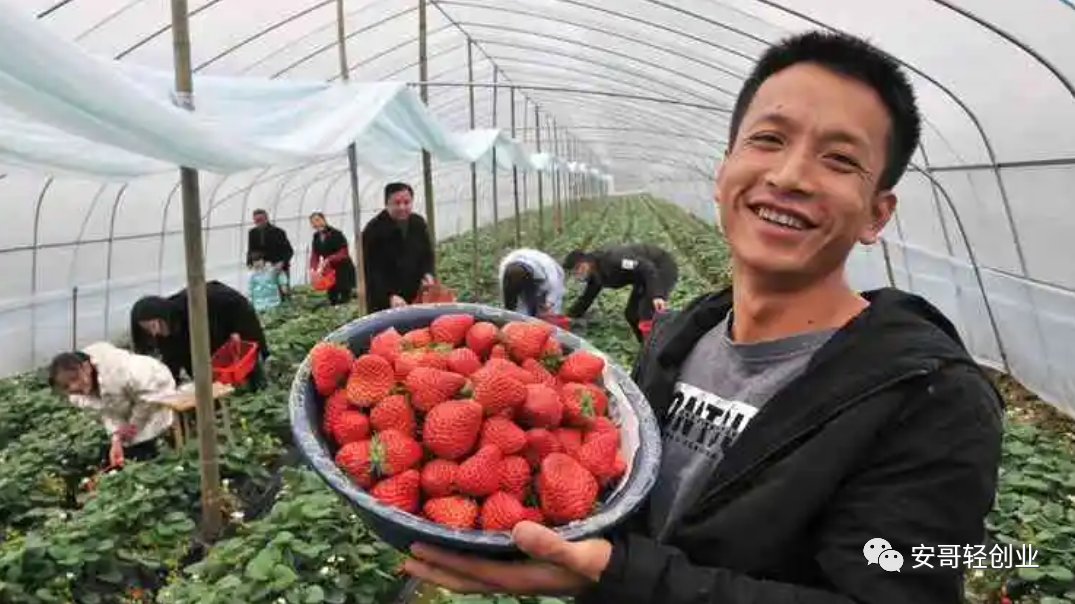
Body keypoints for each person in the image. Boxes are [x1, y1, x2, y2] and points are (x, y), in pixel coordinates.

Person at [400, 31, 1005, 604]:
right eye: (768, 140)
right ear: (722, 175)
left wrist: (617, 575)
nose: (790, 175)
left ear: (877, 214)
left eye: (840, 159)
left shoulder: (931, 401)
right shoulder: (676, 339)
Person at [48, 342, 177, 468]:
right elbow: (107, 414)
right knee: (131, 452)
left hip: (157, 391)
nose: (74, 386)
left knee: (155, 444)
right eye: (66, 386)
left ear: (86, 367)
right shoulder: (79, 397)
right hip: (132, 406)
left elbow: (147, 398)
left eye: (74, 378)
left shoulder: (119, 369)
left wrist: (132, 425)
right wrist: (117, 438)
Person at [130, 280, 270, 390]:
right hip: (210, 337)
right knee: (204, 373)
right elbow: (173, 359)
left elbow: (236, 306)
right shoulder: (164, 335)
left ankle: (260, 388)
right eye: (148, 330)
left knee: (246, 357)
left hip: (228, 315)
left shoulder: (191, 307)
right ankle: (214, 402)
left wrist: (236, 329)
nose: (154, 333)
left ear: (162, 315)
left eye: (153, 326)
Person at [563, 243, 679, 342]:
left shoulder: (614, 259)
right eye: (575, 271)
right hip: (643, 277)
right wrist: (567, 318)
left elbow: (646, 267)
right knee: (631, 314)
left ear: (587, 260)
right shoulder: (596, 274)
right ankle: (645, 345)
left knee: (646, 312)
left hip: (660, 268)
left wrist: (656, 295)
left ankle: (660, 345)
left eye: (579, 267)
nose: (579, 272)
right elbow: (586, 299)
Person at [362, 182, 436, 312]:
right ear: (387, 204)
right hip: (386, 301)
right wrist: (388, 296)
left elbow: (427, 254)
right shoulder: (373, 231)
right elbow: (371, 271)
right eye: (397, 203)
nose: (402, 207)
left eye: (407, 202)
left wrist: (428, 273)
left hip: (415, 294)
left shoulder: (418, 223)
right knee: (391, 330)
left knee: (418, 329)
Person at [498, 248, 565, 317]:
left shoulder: (549, 268)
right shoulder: (505, 272)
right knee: (521, 313)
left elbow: (555, 288)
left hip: (545, 279)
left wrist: (549, 303)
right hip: (518, 279)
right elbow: (508, 300)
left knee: (549, 315)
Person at [308, 211, 358, 306]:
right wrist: (312, 269)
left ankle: (345, 309)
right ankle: (334, 306)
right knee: (332, 293)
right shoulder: (316, 237)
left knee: (344, 293)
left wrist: (329, 259)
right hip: (329, 270)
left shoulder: (336, 234)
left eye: (317, 220)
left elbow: (343, 252)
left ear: (324, 220)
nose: (315, 224)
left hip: (342, 268)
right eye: (313, 222)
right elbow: (315, 254)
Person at [246, 209, 294, 300]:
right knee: (266, 295)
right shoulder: (252, 233)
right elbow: (250, 250)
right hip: (262, 270)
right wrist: (249, 263)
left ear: (266, 218)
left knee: (283, 293)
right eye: (256, 220)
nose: (258, 223)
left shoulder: (279, 232)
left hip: (279, 268)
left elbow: (289, 251)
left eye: (261, 219)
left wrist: (282, 262)